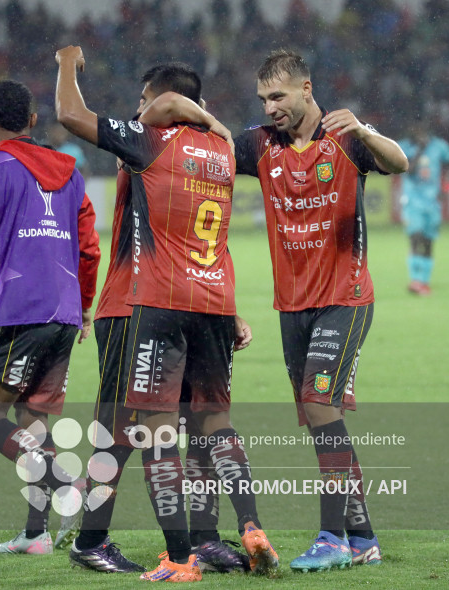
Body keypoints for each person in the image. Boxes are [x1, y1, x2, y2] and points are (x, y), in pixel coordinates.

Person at [138, 49, 408, 572]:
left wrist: (368, 129)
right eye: (263, 99)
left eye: (278, 96)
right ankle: (363, 537)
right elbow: (209, 145)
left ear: (307, 89)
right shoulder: (261, 145)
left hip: (345, 299)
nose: (270, 107)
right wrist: (201, 116)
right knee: (318, 417)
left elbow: (399, 162)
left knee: (321, 404)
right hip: (293, 306)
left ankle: (333, 535)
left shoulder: (346, 138)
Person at [55, 45, 278, 582]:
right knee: (140, 430)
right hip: (154, 305)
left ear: (163, 101)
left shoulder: (152, 141)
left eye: (142, 99)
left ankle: (187, 544)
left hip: (146, 301)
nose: (136, 109)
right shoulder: (220, 152)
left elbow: (87, 115)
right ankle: (98, 537)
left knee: (150, 432)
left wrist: (66, 65)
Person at [0, 79, 101, 556]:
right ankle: (36, 533)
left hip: (18, 310)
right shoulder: (71, 174)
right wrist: (83, 306)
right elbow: (89, 249)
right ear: (32, 120)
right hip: (64, 311)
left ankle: (70, 485)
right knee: (35, 422)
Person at [398, 122, 449, 295]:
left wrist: (448, 186)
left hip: (432, 203)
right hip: (412, 202)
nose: (418, 133)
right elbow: (407, 170)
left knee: (428, 242)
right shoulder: (404, 147)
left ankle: (424, 281)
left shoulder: (439, 146)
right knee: (415, 237)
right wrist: (419, 150)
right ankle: (415, 280)